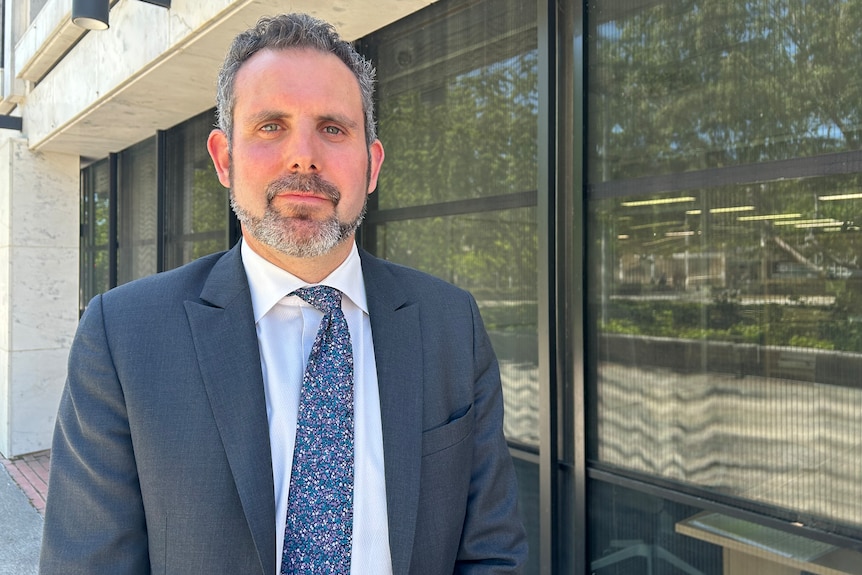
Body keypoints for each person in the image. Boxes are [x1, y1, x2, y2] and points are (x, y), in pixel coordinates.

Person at [40, 12, 527, 575]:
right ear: (224, 158)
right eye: (271, 126)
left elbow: (493, 552)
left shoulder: (450, 323)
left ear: (372, 166)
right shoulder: (124, 336)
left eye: (333, 128)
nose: (304, 157)